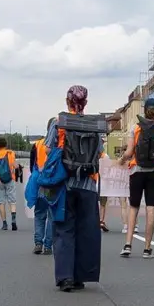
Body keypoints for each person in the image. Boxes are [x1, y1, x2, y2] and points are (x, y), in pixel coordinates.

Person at [43, 85, 102, 291]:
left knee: (63, 229)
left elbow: (49, 148)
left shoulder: (60, 122)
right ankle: (80, 276)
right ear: (85, 102)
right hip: (88, 184)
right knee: (85, 230)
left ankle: (65, 277)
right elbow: (99, 152)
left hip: (65, 183)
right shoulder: (95, 124)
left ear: (67, 101)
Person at [118, 97, 154, 259]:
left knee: (133, 207)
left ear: (145, 110)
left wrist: (121, 161)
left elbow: (128, 152)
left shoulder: (136, 128)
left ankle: (128, 245)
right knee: (151, 208)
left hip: (136, 171)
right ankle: (147, 249)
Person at [0, 138, 21, 231]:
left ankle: (4, 224)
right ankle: (14, 221)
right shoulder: (10, 153)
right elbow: (15, 166)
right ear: (5, 144)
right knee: (12, 201)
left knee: (1, 203)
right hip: (10, 179)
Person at [30, 136, 53, 253]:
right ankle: (48, 246)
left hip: (40, 182)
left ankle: (38, 243)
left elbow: (32, 166)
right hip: (55, 183)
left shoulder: (37, 144)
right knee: (52, 216)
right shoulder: (59, 143)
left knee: (39, 214)